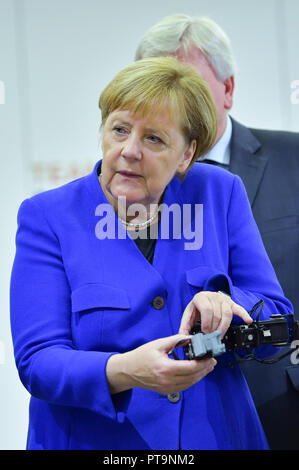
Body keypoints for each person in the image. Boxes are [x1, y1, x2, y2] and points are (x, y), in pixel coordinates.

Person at [10, 56, 293, 450]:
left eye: (154, 139)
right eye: (120, 130)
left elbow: (276, 319)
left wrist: (228, 305)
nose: (129, 150)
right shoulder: (49, 215)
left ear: (186, 154)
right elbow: (37, 361)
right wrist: (124, 371)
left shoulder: (219, 193)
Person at [135, 15, 299, 450]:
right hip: (180, 417)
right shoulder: (124, 187)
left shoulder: (295, 158)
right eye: (157, 88)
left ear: (227, 90)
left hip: (284, 401)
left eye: (188, 86)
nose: (174, 106)